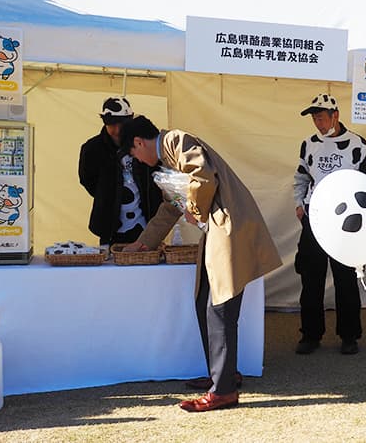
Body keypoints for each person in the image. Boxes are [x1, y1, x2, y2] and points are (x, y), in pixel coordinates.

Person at [120, 115, 282, 413]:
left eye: (134, 154)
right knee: (204, 301)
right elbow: (171, 206)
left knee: (219, 309)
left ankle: (223, 391)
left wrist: (194, 209)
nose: (139, 160)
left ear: (139, 143)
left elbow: (203, 175)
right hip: (220, 229)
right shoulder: (170, 156)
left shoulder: (174, 140)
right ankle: (222, 376)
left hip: (229, 227)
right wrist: (145, 242)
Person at [293, 93, 366, 355]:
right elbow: (301, 177)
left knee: (346, 277)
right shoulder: (309, 144)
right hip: (315, 218)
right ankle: (311, 334)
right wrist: (298, 203)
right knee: (311, 276)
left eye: (320, 117)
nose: (317, 123)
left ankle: (349, 335)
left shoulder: (357, 144)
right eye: (314, 119)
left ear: (335, 115)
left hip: (346, 221)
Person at [78, 96, 162, 247]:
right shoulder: (92, 148)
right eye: (112, 125)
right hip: (109, 222)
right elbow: (86, 179)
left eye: (120, 124)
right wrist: (106, 194)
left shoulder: (142, 143)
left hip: (145, 218)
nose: (116, 130)